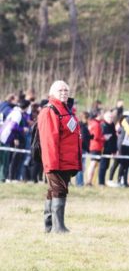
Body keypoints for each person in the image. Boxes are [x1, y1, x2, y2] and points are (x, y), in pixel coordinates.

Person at [38, 80, 82, 233]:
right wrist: (52, 164)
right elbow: (49, 140)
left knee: (54, 191)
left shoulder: (67, 110)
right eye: (60, 90)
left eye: (66, 90)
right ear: (52, 93)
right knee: (59, 190)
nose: (64, 92)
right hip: (56, 161)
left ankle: (49, 227)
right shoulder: (50, 110)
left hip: (67, 161)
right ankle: (59, 227)